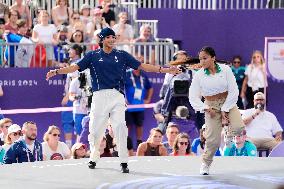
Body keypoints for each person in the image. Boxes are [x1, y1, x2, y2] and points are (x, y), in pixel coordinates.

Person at [46, 27, 179, 173]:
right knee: (95, 131)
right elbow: (75, 67)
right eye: (109, 37)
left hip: (117, 96)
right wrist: (56, 71)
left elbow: (143, 66)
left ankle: (123, 161)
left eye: (113, 37)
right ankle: (94, 156)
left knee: (120, 128)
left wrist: (166, 70)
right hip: (99, 96)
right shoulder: (92, 55)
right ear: (102, 39)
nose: (112, 40)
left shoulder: (122, 55)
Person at [189, 46, 244, 175]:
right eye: (200, 59)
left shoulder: (226, 69)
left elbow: (234, 91)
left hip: (228, 102)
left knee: (239, 128)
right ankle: (206, 164)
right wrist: (205, 108)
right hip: (211, 107)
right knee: (213, 141)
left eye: (205, 58)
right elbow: (193, 96)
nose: (202, 61)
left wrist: (225, 108)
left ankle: (228, 135)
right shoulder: (199, 75)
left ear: (213, 58)